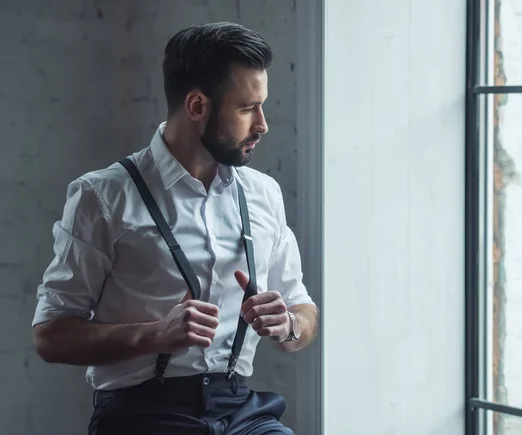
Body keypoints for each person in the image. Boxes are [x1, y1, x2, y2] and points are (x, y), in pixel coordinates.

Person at [31, 22, 318, 435]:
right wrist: (153, 335)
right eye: (246, 108)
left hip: (242, 410)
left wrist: (289, 323)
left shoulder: (263, 194)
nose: (262, 124)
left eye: (262, 106)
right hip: (142, 414)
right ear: (198, 106)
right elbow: (50, 336)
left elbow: (302, 310)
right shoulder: (101, 196)